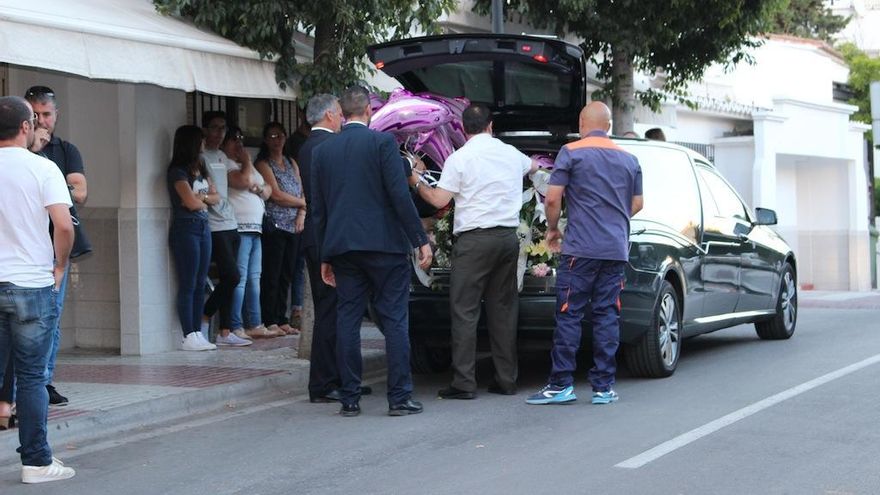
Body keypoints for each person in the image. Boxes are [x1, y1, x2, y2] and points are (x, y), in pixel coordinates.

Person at [311, 86, 432, 417]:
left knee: (347, 320)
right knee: (394, 319)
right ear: (367, 110)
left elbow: (318, 210)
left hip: (342, 249)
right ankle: (399, 397)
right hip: (385, 247)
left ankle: (350, 398)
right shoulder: (382, 144)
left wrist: (325, 255)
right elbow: (399, 196)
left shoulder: (323, 152)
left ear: (344, 112)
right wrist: (420, 238)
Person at [411, 103, 538, 399]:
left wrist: (416, 180)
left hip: (474, 242)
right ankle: (506, 379)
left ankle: (464, 383)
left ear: (463, 129)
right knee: (503, 309)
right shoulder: (510, 153)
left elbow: (438, 199)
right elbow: (536, 168)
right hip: (507, 239)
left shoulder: (459, 158)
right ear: (490, 126)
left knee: (465, 310)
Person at [526, 101, 643, 406]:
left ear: (581, 122)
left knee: (569, 314)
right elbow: (638, 203)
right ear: (608, 126)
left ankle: (561, 383)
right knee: (607, 315)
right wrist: (613, 218)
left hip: (580, 249)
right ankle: (604, 387)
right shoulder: (630, 159)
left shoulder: (572, 152)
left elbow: (552, 199)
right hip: (615, 250)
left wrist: (552, 229)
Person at [0, 95, 76, 482]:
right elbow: (63, 225)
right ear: (27, 127)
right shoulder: (42, 168)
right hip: (31, 282)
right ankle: (36, 462)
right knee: (31, 377)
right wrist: (59, 266)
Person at [24, 85, 87, 407]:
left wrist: (52, 177)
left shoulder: (65, 150)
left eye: (47, 114)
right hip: (20, 249)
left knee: (51, 316)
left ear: (56, 115)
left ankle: (44, 381)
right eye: (35, 115)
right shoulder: (13, 151)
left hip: (52, 248)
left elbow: (80, 193)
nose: (42, 121)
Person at [200, 112, 250, 346]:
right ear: (205, 130)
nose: (219, 133)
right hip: (214, 225)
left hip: (231, 223)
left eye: (223, 128)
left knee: (232, 278)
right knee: (231, 275)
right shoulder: (199, 158)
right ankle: (206, 314)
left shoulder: (221, 156)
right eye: (214, 128)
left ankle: (226, 331)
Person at [167, 125, 219, 351]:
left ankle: (197, 331)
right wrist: (200, 199)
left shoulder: (202, 167)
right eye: (201, 140)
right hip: (185, 228)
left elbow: (216, 197)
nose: (204, 143)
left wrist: (202, 196)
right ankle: (188, 334)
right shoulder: (177, 171)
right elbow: (190, 202)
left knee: (200, 282)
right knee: (188, 282)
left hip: (203, 226)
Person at [255, 122, 306, 337]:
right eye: (272, 136)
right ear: (266, 140)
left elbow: (302, 190)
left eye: (280, 135)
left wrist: (302, 211)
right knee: (272, 274)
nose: (277, 140)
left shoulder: (291, 161)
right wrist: (302, 204)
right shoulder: (263, 164)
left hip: (294, 225)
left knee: (288, 273)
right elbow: (276, 195)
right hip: (275, 225)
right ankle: (270, 319)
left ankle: (282, 318)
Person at [223, 126, 272, 342]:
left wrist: (258, 188)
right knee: (241, 278)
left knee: (255, 278)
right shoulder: (226, 163)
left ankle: (255, 323)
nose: (239, 143)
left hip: (255, 228)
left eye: (241, 138)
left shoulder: (245, 165)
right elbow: (242, 182)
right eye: (234, 139)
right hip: (240, 227)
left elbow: (268, 189)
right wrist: (247, 164)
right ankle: (236, 325)